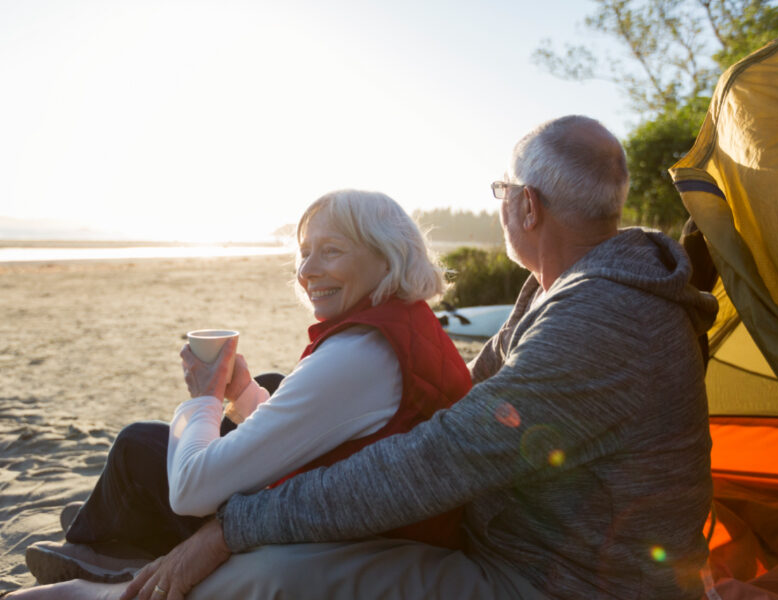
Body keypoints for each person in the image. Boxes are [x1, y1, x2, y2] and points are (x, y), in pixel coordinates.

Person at [17, 114, 719, 600]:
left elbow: (435, 457)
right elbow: (441, 427)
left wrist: (232, 530)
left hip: (555, 583)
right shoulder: (566, 297)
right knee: (250, 439)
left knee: (255, 583)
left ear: (526, 207)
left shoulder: (606, 318)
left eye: (501, 194)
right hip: (513, 544)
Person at [13, 190, 471, 596]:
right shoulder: (405, 326)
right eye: (304, 252)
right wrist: (243, 394)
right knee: (267, 386)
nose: (307, 271)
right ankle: (103, 526)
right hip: (359, 520)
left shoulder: (361, 354)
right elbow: (331, 440)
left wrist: (205, 397)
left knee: (138, 446)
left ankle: (89, 547)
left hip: (328, 539)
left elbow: (191, 493)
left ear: (387, 258)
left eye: (330, 251)